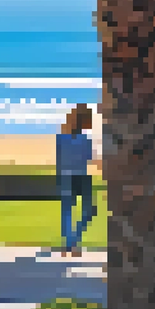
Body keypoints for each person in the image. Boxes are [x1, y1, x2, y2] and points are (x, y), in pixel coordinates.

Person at [56, 104, 98, 258]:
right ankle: (73, 241)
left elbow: (59, 159)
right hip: (80, 176)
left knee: (67, 211)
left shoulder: (61, 139)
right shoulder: (85, 140)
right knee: (89, 211)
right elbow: (87, 158)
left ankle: (69, 244)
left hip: (66, 177)